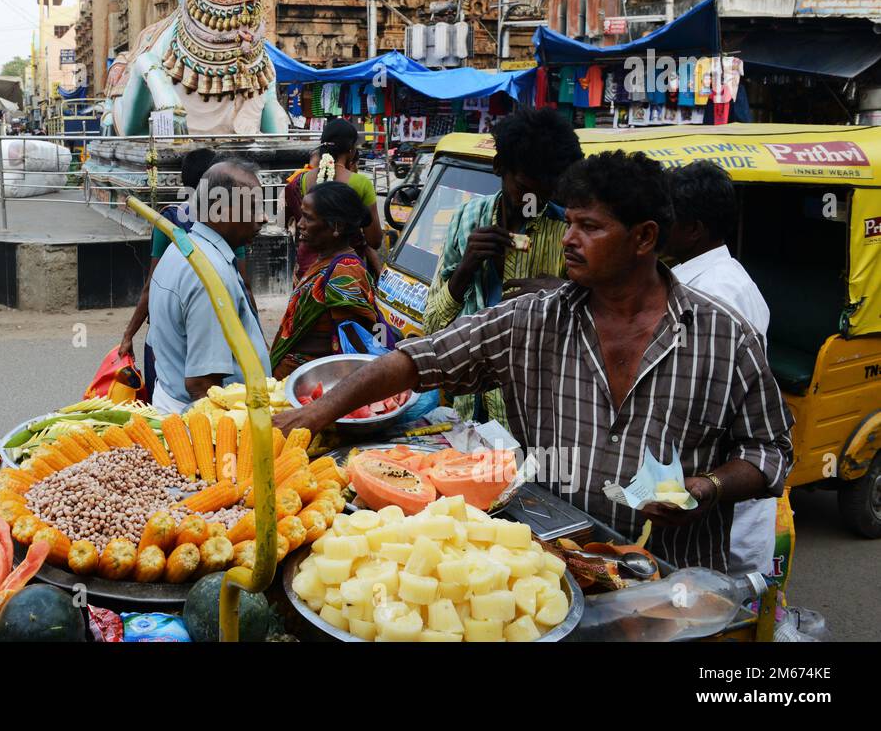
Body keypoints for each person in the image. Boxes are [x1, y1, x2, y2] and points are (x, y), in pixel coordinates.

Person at [276, 151, 794, 571]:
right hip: (552, 569)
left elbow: (770, 449)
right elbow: (417, 360)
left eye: (590, 226)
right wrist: (317, 412)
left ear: (644, 238)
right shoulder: (531, 320)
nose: (568, 239)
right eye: (569, 223)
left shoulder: (724, 336)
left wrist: (711, 486)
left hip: (672, 580)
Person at [422, 107, 584, 424]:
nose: (533, 201)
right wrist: (466, 268)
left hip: (534, 416)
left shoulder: (569, 233)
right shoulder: (466, 220)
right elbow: (432, 325)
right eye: (524, 188)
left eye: (545, 191)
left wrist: (563, 292)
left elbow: (597, 328)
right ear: (499, 168)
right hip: (470, 408)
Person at [664, 161, 775, 577]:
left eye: (667, 216)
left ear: (694, 229)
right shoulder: (697, 278)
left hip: (722, 504)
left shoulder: (715, 292)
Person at [117, 149, 256, 385]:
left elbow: (151, 286)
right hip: (218, 340)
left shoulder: (171, 219)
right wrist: (256, 337)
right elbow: (245, 287)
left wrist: (129, 334)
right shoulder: (231, 224)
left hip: (169, 339)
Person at [147, 160, 270, 412]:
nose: (265, 218)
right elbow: (203, 386)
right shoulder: (209, 274)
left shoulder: (185, 249)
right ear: (222, 210)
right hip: (205, 422)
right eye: (255, 208)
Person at [271, 182, 381, 379]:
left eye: (308, 218)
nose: (300, 224)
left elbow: (352, 348)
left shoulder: (344, 273)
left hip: (315, 384)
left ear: (336, 226)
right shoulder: (325, 261)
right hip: (298, 378)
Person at [287, 119, 382, 279]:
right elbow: (375, 240)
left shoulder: (299, 181)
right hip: (344, 272)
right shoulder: (361, 184)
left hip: (306, 270)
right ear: (351, 150)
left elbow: (290, 223)